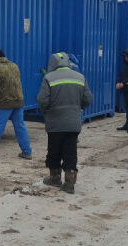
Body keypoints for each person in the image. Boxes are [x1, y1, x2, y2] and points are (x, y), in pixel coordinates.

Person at [36, 52, 93, 194]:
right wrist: (76, 108)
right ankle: (69, 183)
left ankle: (55, 178)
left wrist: (47, 111)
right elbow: (88, 99)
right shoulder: (80, 77)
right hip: (73, 123)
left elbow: (42, 100)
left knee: (54, 151)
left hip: (55, 123)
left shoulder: (48, 78)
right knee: (70, 152)